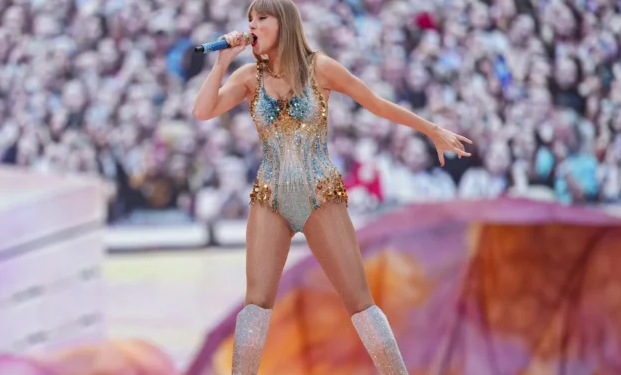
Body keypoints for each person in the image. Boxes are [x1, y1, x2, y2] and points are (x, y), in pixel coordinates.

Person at [191, 0, 473, 373]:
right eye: (250, 19)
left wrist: (432, 130)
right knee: (255, 305)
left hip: (320, 195)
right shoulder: (246, 76)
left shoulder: (319, 67)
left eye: (261, 18)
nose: (253, 25)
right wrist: (222, 63)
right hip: (269, 198)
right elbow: (202, 111)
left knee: (359, 302)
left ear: (284, 23)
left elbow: (375, 104)